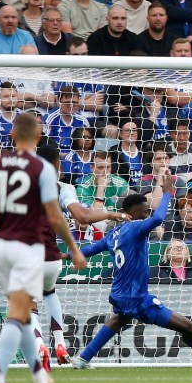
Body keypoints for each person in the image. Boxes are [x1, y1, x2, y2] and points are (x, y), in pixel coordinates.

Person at [0, 113, 86, 383]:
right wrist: (73, 247)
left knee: (20, 313)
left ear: (10, 136)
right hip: (27, 246)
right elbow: (56, 218)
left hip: (1, 246)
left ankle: (38, 375)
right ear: (36, 138)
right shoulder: (40, 169)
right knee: (19, 314)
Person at [70, 169, 192, 369]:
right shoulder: (135, 227)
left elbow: (89, 250)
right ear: (133, 213)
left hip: (120, 293)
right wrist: (167, 193)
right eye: (145, 211)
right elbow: (157, 220)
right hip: (137, 297)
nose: (147, 214)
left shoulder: (114, 233)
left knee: (119, 320)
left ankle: (82, 359)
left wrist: (64, 255)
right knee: (188, 326)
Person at [33, 143, 127, 369]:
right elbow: (82, 217)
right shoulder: (62, 188)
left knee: (27, 304)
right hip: (52, 256)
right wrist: (111, 213)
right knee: (49, 292)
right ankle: (60, 342)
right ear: (57, 165)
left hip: (26, 253)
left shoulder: (22, 184)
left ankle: (38, 345)